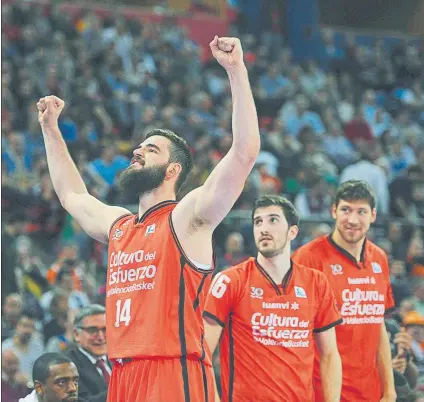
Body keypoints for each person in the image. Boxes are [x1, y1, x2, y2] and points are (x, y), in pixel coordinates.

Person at [37, 35, 260, 402]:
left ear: (172, 170)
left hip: (173, 370)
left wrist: (236, 70)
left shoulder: (188, 216)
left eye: (151, 149)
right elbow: (71, 195)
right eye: (139, 146)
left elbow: (245, 152)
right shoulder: (121, 226)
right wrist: (50, 130)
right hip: (124, 372)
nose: (137, 151)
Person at [203, 195, 342, 402]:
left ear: (292, 232)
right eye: (258, 222)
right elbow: (202, 353)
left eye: (273, 220)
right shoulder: (230, 280)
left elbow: (330, 354)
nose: (263, 228)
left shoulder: (316, 282)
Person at [292, 180, 396, 401]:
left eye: (361, 212)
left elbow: (378, 326)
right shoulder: (308, 258)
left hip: (370, 392)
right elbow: (293, 332)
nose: (352, 220)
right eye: (346, 210)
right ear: (333, 211)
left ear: (373, 215)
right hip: (322, 392)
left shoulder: (379, 258)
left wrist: (389, 390)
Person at [66, 305, 109, 402]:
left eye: (105, 329)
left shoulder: (117, 359)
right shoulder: (68, 366)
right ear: (76, 334)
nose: (101, 337)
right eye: (93, 330)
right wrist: (122, 388)